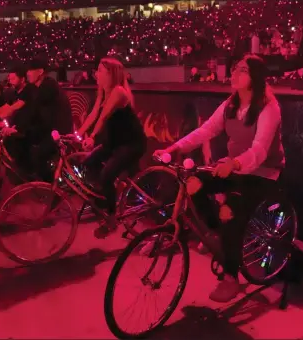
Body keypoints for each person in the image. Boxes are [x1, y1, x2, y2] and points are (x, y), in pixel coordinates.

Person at [154, 54, 285, 302]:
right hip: (233, 167)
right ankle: (217, 235)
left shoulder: (269, 107)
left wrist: (235, 162)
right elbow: (206, 130)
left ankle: (231, 278)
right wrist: (174, 149)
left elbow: (259, 150)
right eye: (234, 69)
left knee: (231, 215)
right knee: (193, 183)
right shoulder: (230, 104)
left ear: (255, 78)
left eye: (242, 70)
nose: (234, 74)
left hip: (262, 173)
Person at [77, 57, 146, 239]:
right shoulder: (104, 92)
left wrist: (91, 137)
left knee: (106, 175)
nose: (96, 74)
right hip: (114, 142)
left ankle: (112, 217)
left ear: (111, 74)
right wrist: (78, 133)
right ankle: (114, 189)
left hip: (131, 143)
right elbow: (94, 114)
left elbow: (104, 116)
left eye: (100, 71)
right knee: (89, 163)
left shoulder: (118, 92)